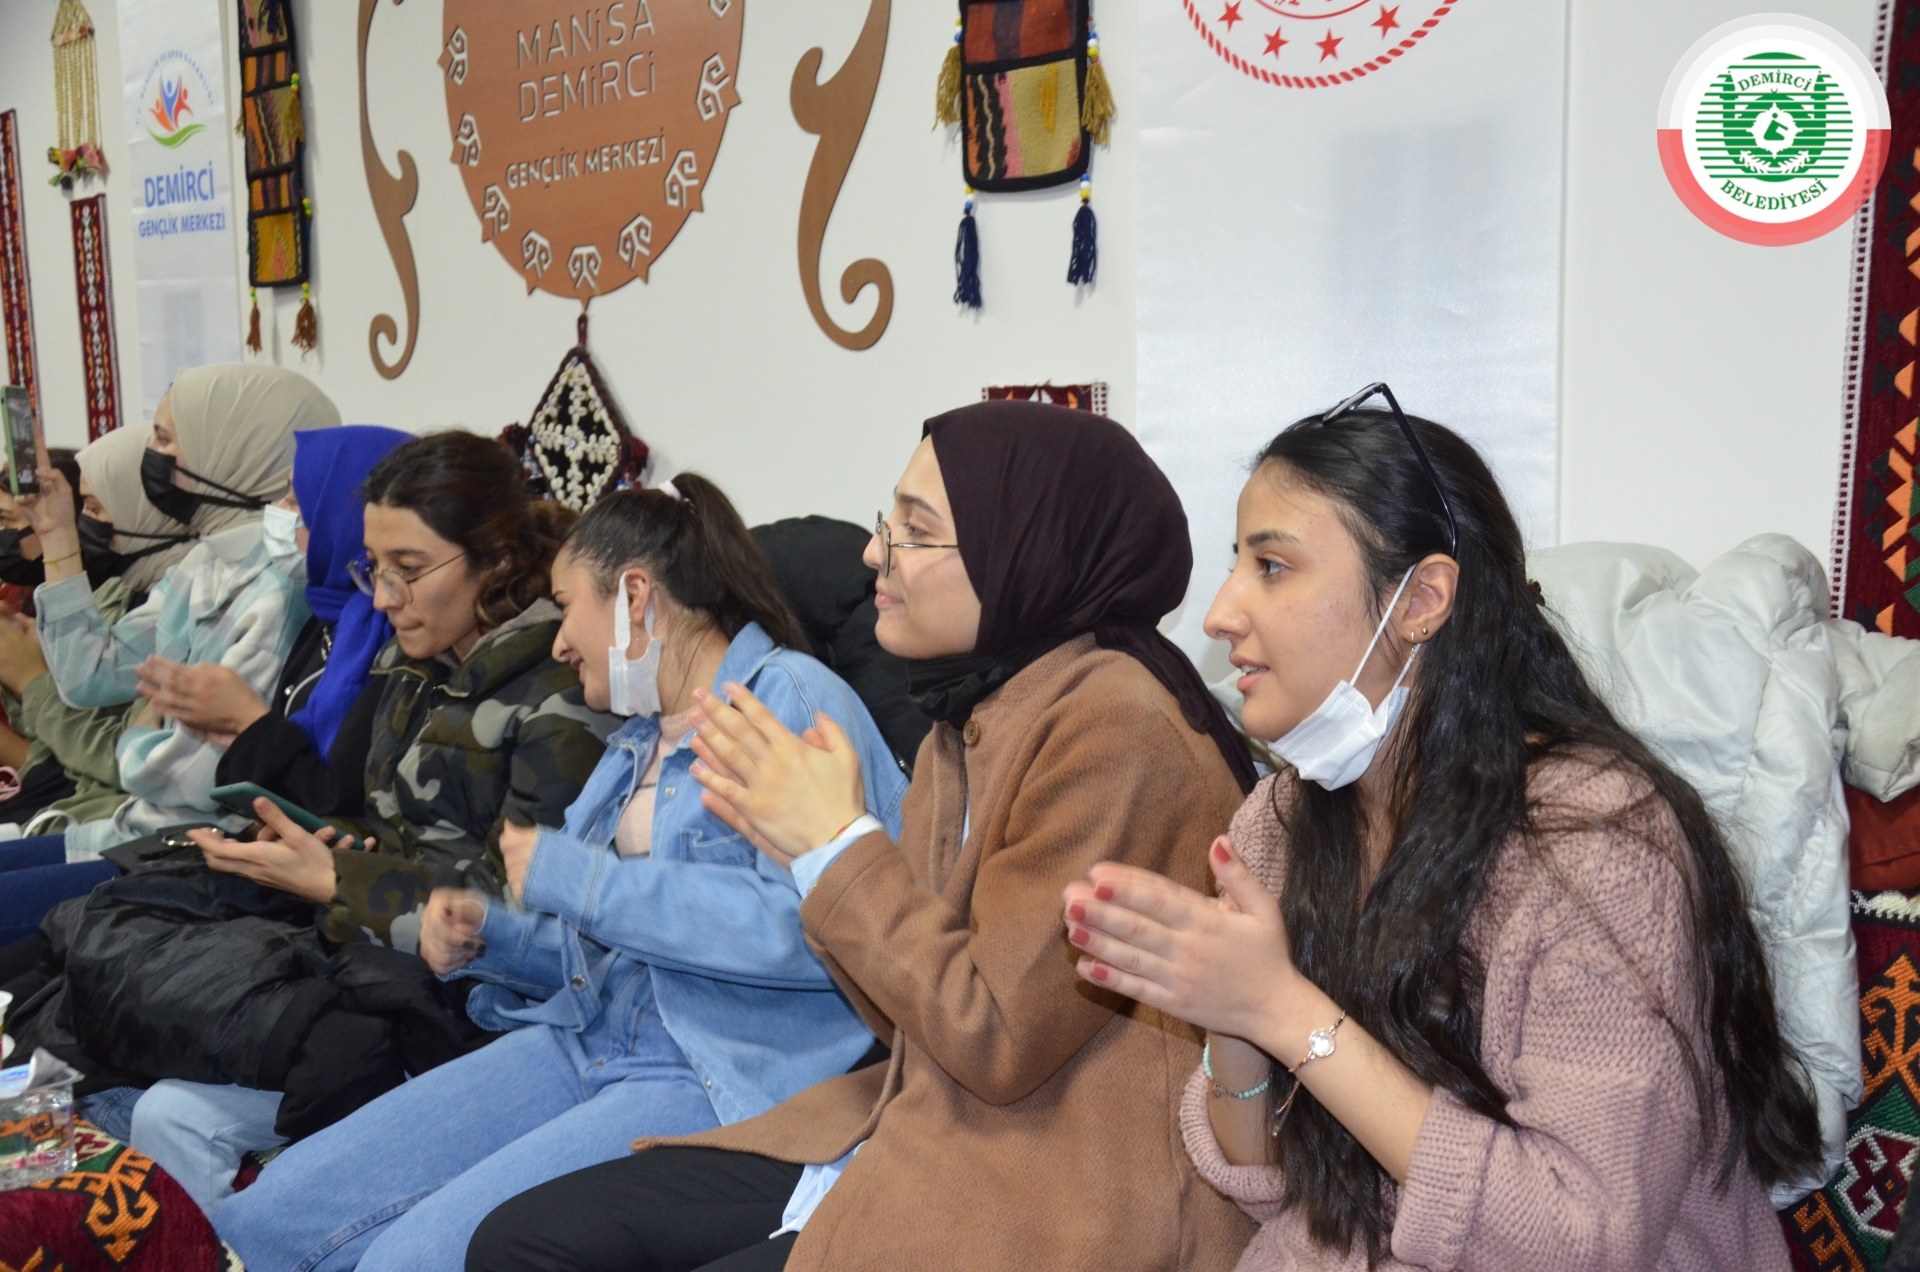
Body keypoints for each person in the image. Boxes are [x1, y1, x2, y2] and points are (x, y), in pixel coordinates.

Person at [468, 402, 1263, 1272]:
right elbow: (901, 1011)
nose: (874, 554)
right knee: (519, 1242)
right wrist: (814, 858)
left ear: (1021, 550)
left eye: (914, 531)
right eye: (890, 523)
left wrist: (834, 846)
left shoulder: (1113, 728)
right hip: (923, 1111)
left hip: (1055, 1171)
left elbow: (994, 1041)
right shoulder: (969, 719)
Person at [1056, 392, 1823, 1270]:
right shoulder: (1279, 821)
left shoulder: (1598, 842)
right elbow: (1269, 1187)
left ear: (1420, 599)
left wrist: (1281, 1006)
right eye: (1238, 564)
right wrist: (1226, 1015)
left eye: (1272, 566)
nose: (1221, 613)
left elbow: (1582, 1238)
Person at [218, 475, 909, 1272]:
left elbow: (818, 935)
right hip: (589, 1037)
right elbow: (607, 953)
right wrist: (495, 940)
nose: (556, 642)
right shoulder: (633, 744)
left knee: (405, 1260)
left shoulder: (787, 698)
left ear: (634, 597)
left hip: (715, 1072)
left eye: (566, 604)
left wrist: (582, 882)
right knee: (269, 1215)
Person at [73, 429, 615, 1215]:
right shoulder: (415, 664)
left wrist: (338, 878)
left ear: (496, 559)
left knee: (174, 1112)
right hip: (367, 965)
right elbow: (389, 825)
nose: (383, 598)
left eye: (408, 570)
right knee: (108, 988)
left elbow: (521, 917)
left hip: (471, 1010)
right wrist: (317, 844)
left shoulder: (562, 697)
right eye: (373, 568)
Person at [0, 366, 335, 940]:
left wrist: (135, 741)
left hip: (191, 854)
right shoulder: (206, 562)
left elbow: (192, 778)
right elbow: (86, 674)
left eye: (164, 439)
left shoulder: (280, 588)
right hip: (134, 831)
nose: (153, 459)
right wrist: (56, 537)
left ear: (229, 447)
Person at [135, 425, 414, 815]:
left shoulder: (393, 636)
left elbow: (340, 799)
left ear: (338, 519)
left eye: (296, 502)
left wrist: (248, 720)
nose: (279, 512)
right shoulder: (328, 616)